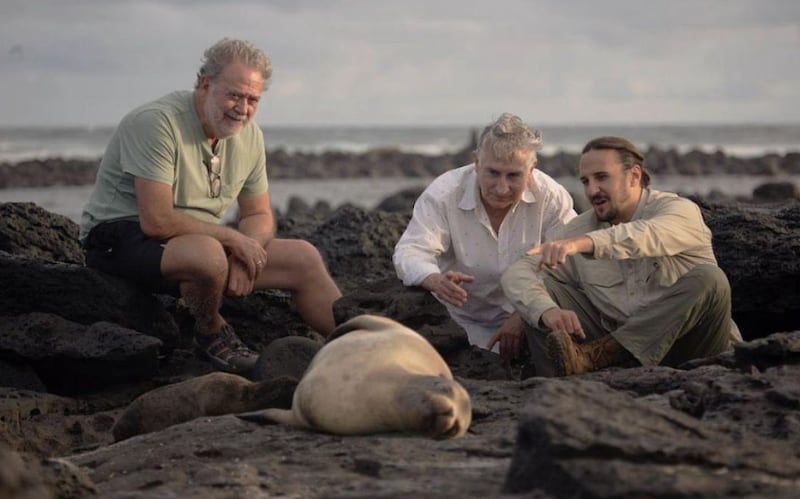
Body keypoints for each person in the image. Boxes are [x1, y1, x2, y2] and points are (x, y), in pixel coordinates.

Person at [79, 38, 341, 374]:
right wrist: (233, 240)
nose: (242, 108)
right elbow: (157, 221)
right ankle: (209, 331)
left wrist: (249, 255)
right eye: (234, 95)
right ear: (205, 84)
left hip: (195, 241)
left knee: (302, 257)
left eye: (252, 100)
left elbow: (258, 214)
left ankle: (363, 343)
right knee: (208, 255)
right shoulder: (156, 122)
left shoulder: (250, 136)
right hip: (119, 239)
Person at [501, 136, 742, 377]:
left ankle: (600, 357)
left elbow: (645, 235)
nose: (592, 190)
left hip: (695, 349)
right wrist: (545, 311)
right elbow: (519, 271)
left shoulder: (679, 211)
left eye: (602, 177)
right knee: (548, 290)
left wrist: (584, 244)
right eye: (585, 181)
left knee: (710, 279)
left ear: (634, 176)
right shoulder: (580, 228)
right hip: (613, 348)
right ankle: (559, 388)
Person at [393, 113, 576, 360]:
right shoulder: (445, 192)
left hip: (535, 313)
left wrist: (524, 315)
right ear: (477, 162)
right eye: (492, 173)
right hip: (457, 320)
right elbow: (410, 251)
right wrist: (435, 279)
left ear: (531, 170)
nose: (502, 188)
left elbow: (570, 264)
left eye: (514, 176)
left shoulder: (551, 197)